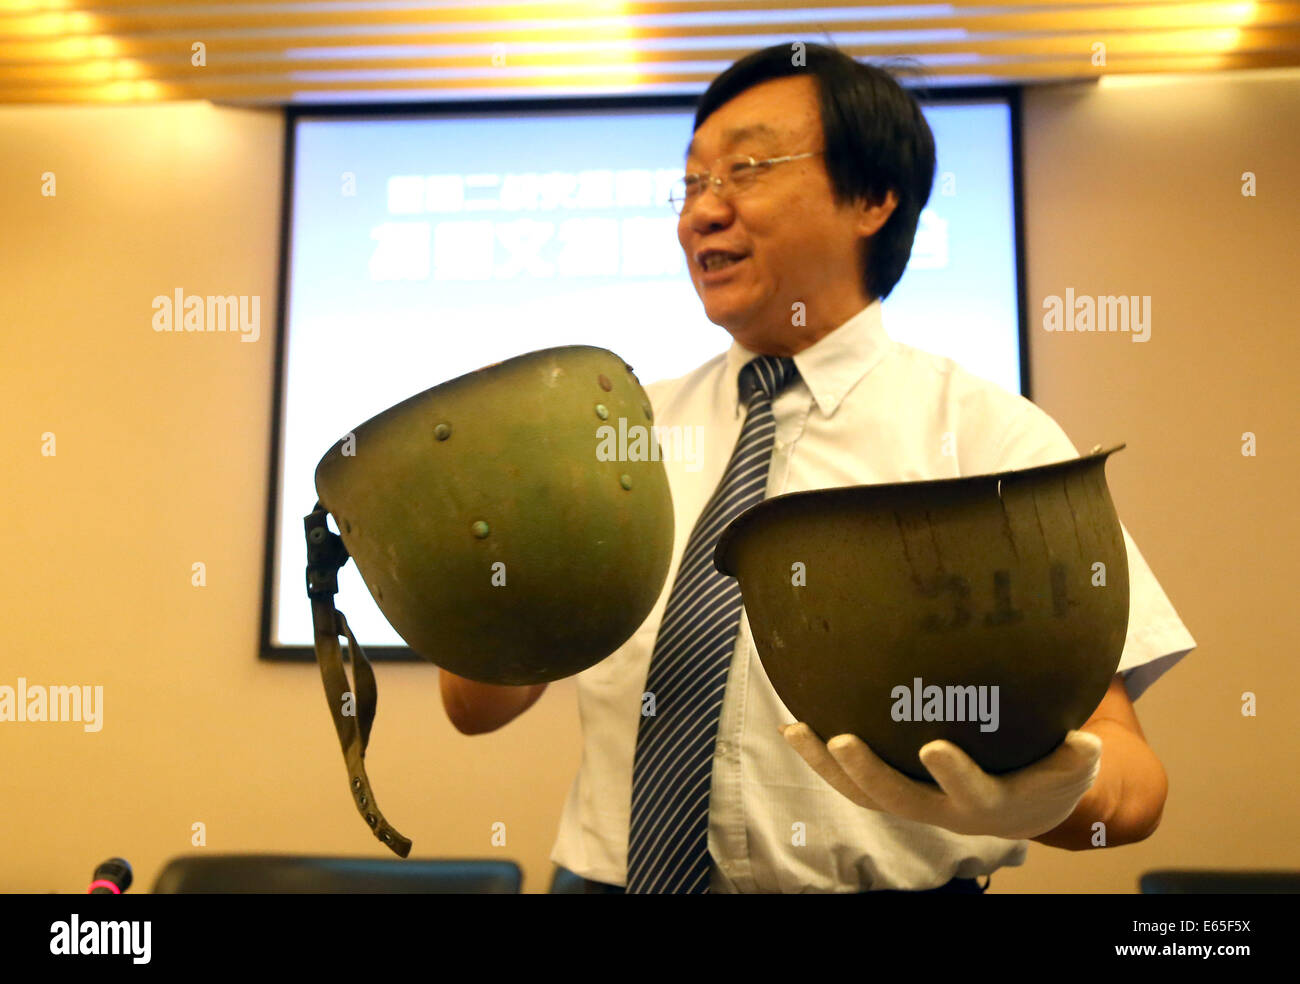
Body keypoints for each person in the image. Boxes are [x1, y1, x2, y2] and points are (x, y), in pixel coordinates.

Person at [438, 42, 1196, 894]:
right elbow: (475, 709)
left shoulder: (987, 440)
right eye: (691, 184)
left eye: (747, 169)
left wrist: (1033, 802)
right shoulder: (618, 432)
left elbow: (1135, 787)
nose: (701, 213)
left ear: (873, 198)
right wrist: (483, 585)